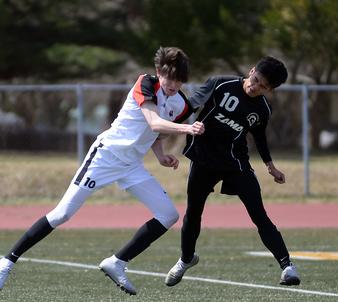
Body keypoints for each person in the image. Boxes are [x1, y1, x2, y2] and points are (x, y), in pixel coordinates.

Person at [0, 46, 204, 296]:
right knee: (62, 214)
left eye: (179, 80)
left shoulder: (180, 104)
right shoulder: (146, 83)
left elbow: (155, 132)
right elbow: (153, 121)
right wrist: (187, 129)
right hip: (105, 156)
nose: (173, 84)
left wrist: (160, 155)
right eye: (169, 77)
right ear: (158, 72)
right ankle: (6, 262)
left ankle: (117, 262)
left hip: (131, 165)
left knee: (168, 215)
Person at [165, 56, 301, 287]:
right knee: (193, 213)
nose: (255, 86)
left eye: (263, 86)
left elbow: (259, 137)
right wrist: (175, 123)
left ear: (270, 90)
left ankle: (288, 267)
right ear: (251, 71)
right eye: (255, 79)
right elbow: (189, 106)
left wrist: (270, 166)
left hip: (235, 163)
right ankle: (186, 259)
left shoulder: (263, 109)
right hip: (204, 160)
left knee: (259, 214)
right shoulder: (220, 83)